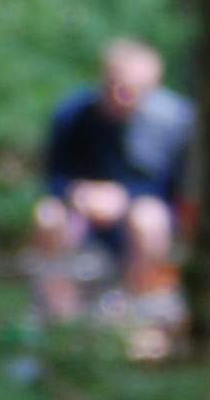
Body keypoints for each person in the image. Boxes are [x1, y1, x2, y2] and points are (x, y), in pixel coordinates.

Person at [32, 38, 194, 316]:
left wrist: (123, 198)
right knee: (47, 216)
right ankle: (59, 316)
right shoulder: (73, 114)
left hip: (143, 217)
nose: (122, 97)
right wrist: (77, 194)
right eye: (114, 87)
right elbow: (54, 178)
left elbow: (176, 191)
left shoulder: (174, 121)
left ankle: (138, 312)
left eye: (133, 91)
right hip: (82, 216)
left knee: (148, 218)